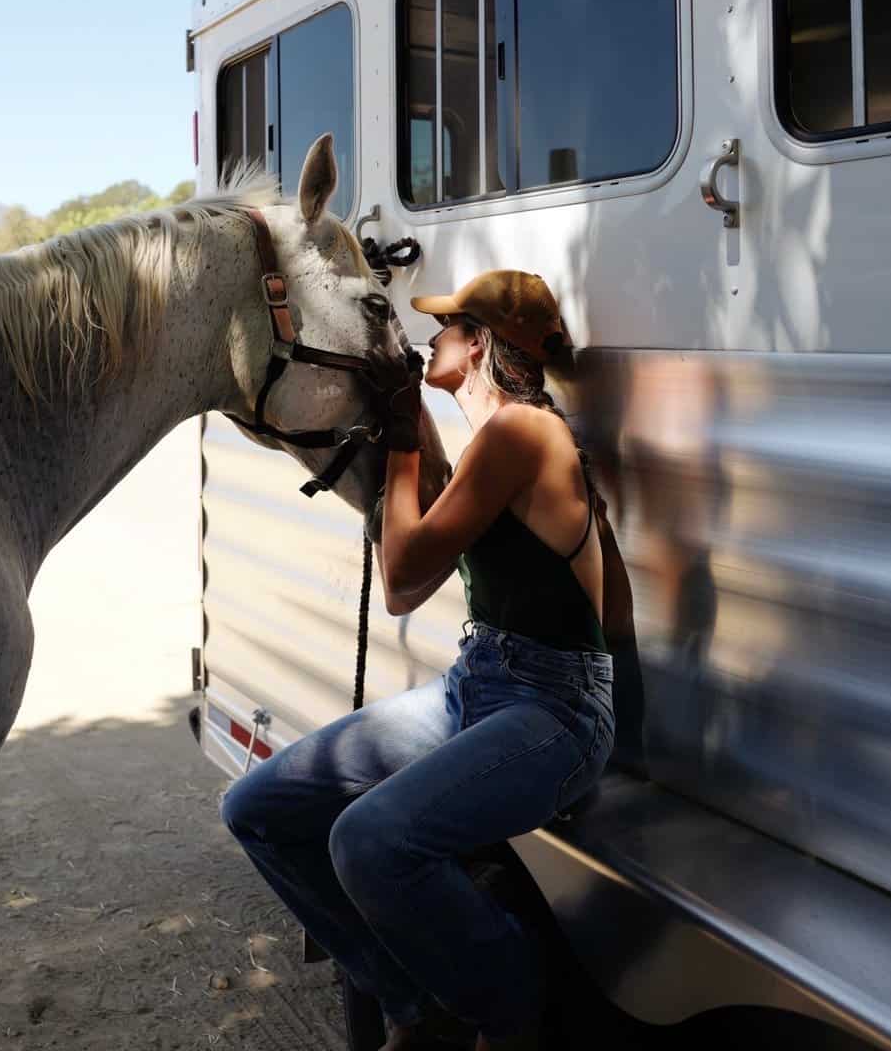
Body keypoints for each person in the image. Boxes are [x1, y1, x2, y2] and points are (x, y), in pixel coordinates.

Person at [221, 270, 628, 1051]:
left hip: (552, 711)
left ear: (479, 345)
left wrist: (406, 430)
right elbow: (608, 610)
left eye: (444, 329)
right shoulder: (501, 443)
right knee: (258, 810)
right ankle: (415, 1000)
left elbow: (404, 581)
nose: (428, 342)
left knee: (368, 841)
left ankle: (511, 1007)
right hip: (481, 683)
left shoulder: (521, 433)